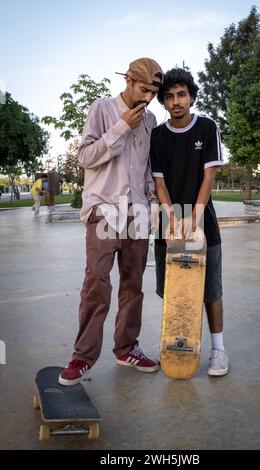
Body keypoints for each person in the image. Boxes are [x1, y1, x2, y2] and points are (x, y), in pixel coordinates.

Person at [59, 58, 164, 386]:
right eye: (143, 89)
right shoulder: (102, 109)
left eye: (153, 93)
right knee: (97, 284)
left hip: (137, 214)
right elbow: (86, 157)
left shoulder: (151, 121)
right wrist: (121, 127)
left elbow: (146, 168)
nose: (147, 98)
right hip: (104, 210)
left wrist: (151, 207)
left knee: (133, 286)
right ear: (129, 81)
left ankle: (126, 348)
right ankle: (83, 356)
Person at [150, 68, 229, 377]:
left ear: (192, 97)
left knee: (211, 289)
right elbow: (159, 184)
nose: (175, 101)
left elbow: (208, 178)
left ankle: (219, 350)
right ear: (164, 102)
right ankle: (174, 346)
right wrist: (173, 219)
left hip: (202, 223)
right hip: (168, 224)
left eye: (181, 94)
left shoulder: (208, 128)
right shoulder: (158, 135)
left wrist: (192, 220)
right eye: (169, 97)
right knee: (172, 289)